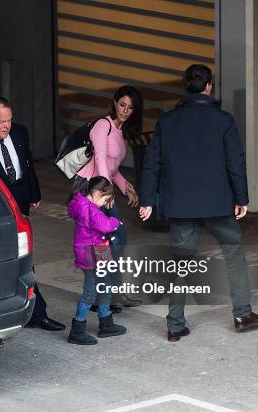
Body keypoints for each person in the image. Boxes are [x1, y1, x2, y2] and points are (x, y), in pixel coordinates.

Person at [139, 64, 258, 342]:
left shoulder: (167, 121)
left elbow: (152, 163)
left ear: (185, 86)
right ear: (209, 86)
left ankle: (175, 325)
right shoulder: (223, 120)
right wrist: (242, 198)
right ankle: (242, 314)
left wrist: (148, 199)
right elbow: (235, 162)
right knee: (233, 254)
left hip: (181, 206)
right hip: (218, 204)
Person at [0, 96, 65, 332]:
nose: (6, 127)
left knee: (22, 255)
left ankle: (33, 311)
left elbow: (26, 163)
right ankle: (21, 310)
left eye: (9, 120)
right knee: (7, 258)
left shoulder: (19, 132)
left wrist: (34, 192)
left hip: (19, 199)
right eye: (0, 122)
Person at [75, 85, 144, 312]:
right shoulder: (102, 125)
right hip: (91, 190)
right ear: (114, 102)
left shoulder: (120, 131)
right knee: (114, 238)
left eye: (130, 107)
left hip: (102, 188)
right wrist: (107, 193)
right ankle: (107, 294)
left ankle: (106, 294)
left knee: (108, 242)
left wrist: (126, 188)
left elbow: (113, 168)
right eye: (122, 105)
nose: (125, 110)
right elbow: (101, 159)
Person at [67, 177, 127, 345]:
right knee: (90, 291)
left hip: (100, 249)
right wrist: (117, 221)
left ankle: (106, 321)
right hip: (91, 253)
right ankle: (77, 330)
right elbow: (106, 226)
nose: (105, 203)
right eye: (105, 199)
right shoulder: (89, 209)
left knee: (105, 284)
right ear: (95, 193)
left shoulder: (83, 203)